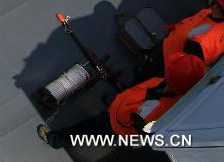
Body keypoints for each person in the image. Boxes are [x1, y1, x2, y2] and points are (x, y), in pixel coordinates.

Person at [37, 52, 205, 149]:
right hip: (121, 110)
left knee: (87, 132)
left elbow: (143, 133)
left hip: (117, 125)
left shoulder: (159, 108)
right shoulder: (166, 85)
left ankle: (55, 140)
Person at [162, 0, 224, 66]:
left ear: (216, 5)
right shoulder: (210, 14)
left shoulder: (200, 42)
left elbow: (182, 68)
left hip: (167, 65)